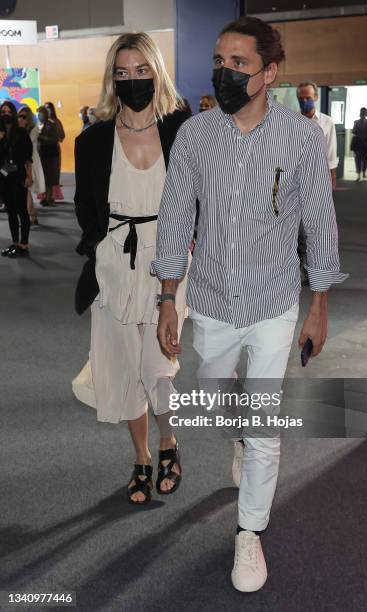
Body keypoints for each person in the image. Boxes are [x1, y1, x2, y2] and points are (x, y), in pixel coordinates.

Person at [152, 16, 347, 592]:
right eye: (220, 61)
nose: (225, 71)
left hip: (273, 301)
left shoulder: (301, 137)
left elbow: (318, 220)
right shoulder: (195, 135)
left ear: (270, 72)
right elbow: (175, 216)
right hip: (210, 297)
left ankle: (249, 534)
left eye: (239, 63)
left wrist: (321, 302)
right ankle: (238, 435)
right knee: (214, 400)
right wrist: (168, 296)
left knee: (263, 424)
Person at [74, 32, 190, 505]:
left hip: (169, 260)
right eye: (122, 73)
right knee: (125, 368)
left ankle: (169, 441)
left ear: (157, 74)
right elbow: (86, 206)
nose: (132, 81)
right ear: (111, 80)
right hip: (115, 266)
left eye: (142, 71)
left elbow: (200, 196)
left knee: (157, 366)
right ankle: (142, 456)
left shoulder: (183, 129)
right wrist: (99, 246)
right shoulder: (94, 139)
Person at [0, 101, 33, 258]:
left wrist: (30, 176)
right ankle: (14, 243)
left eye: (8, 111)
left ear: (13, 113)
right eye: (3, 111)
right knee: (11, 212)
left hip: (19, 176)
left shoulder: (21, 132)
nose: (5, 114)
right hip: (4, 177)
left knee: (22, 211)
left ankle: (24, 245)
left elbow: (28, 158)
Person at [297, 81, 338, 188]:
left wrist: (332, 174)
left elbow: (331, 150)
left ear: (316, 97)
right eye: (301, 98)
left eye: (308, 98)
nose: (304, 101)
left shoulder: (327, 122)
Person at [18, 106, 45, 225]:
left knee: (28, 189)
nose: (21, 119)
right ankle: (32, 216)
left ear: (28, 117)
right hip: (22, 159)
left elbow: (27, 143)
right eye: (19, 116)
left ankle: (30, 216)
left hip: (31, 160)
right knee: (26, 190)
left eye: (23, 116)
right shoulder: (18, 129)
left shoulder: (33, 129)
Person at [37, 105, 60, 207]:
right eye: (38, 113)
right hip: (43, 153)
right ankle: (45, 197)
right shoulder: (40, 124)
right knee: (45, 177)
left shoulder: (50, 124)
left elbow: (55, 138)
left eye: (41, 113)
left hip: (50, 154)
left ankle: (50, 198)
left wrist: (42, 137)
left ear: (45, 114)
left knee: (50, 177)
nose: (39, 115)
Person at [44, 101, 65, 201]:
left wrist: (51, 137)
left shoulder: (56, 121)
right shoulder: (41, 122)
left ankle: (51, 196)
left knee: (53, 173)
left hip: (53, 149)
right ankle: (45, 195)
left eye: (49, 107)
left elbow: (61, 136)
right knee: (44, 174)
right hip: (42, 150)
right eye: (45, 108)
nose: (47, 110)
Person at [351, 107, 367, 180]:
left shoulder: (356, 122)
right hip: (365, 141)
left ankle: (359, 174)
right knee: (364, 158)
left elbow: (353, 131)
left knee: (359, 158)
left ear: (360, 113)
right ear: (366, 114)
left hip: (359, 141)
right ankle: (362, 173)